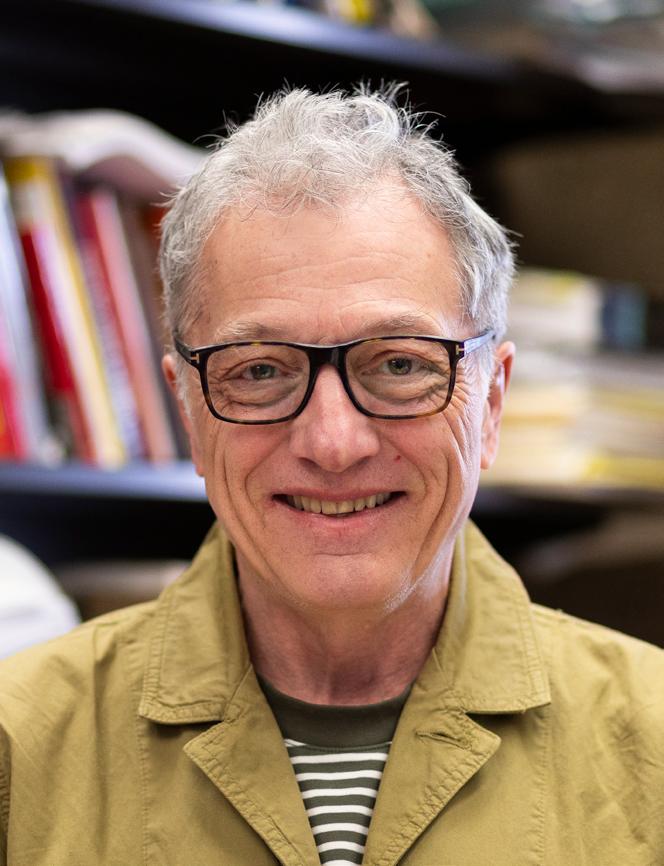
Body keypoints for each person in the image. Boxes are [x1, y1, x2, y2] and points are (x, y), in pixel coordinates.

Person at [0, 86, 662, 866]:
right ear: (187, 407)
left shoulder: (651, 743)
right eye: (259, 370)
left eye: (399, 364)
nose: (334, 442)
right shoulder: (19, 747)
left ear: (492, 402)